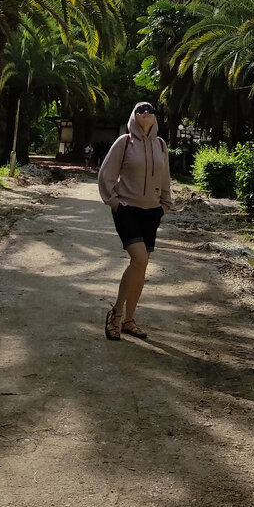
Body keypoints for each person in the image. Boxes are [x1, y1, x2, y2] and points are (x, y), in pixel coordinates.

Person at [97, 102, 173, 340]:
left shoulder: (161, 145)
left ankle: (129, 320)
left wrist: (165, 205)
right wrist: (114, 202)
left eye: (150, 110)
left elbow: (165, 176)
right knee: (139, 259)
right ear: (134, 116)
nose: (146, 113)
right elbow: (106, 174)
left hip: (152, 212)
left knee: (141, 266)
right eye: (141, 110)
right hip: (127, 210)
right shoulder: (125, 142)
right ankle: (116, 313)